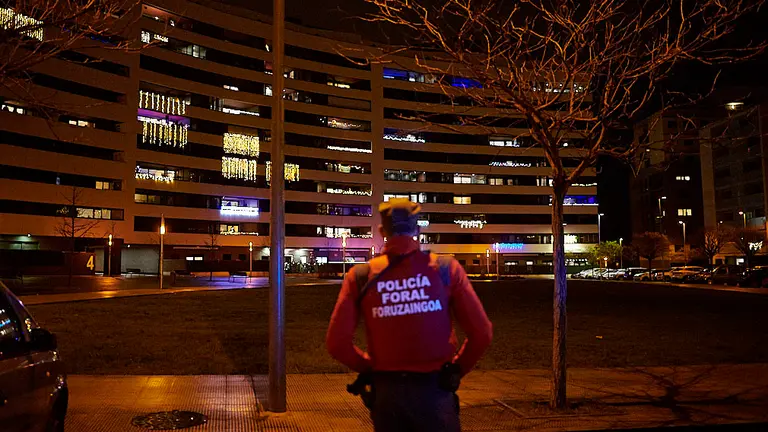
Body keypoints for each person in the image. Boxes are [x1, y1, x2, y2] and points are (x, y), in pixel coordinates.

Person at [326, 198, 493, 431]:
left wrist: (370, 368)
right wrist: (455, 370)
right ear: (417, 229)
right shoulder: (446, 270)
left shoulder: (361, 276)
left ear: (382, 231)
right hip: (435, 393)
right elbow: (482, 333)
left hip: (388, 397)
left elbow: (336, 343)